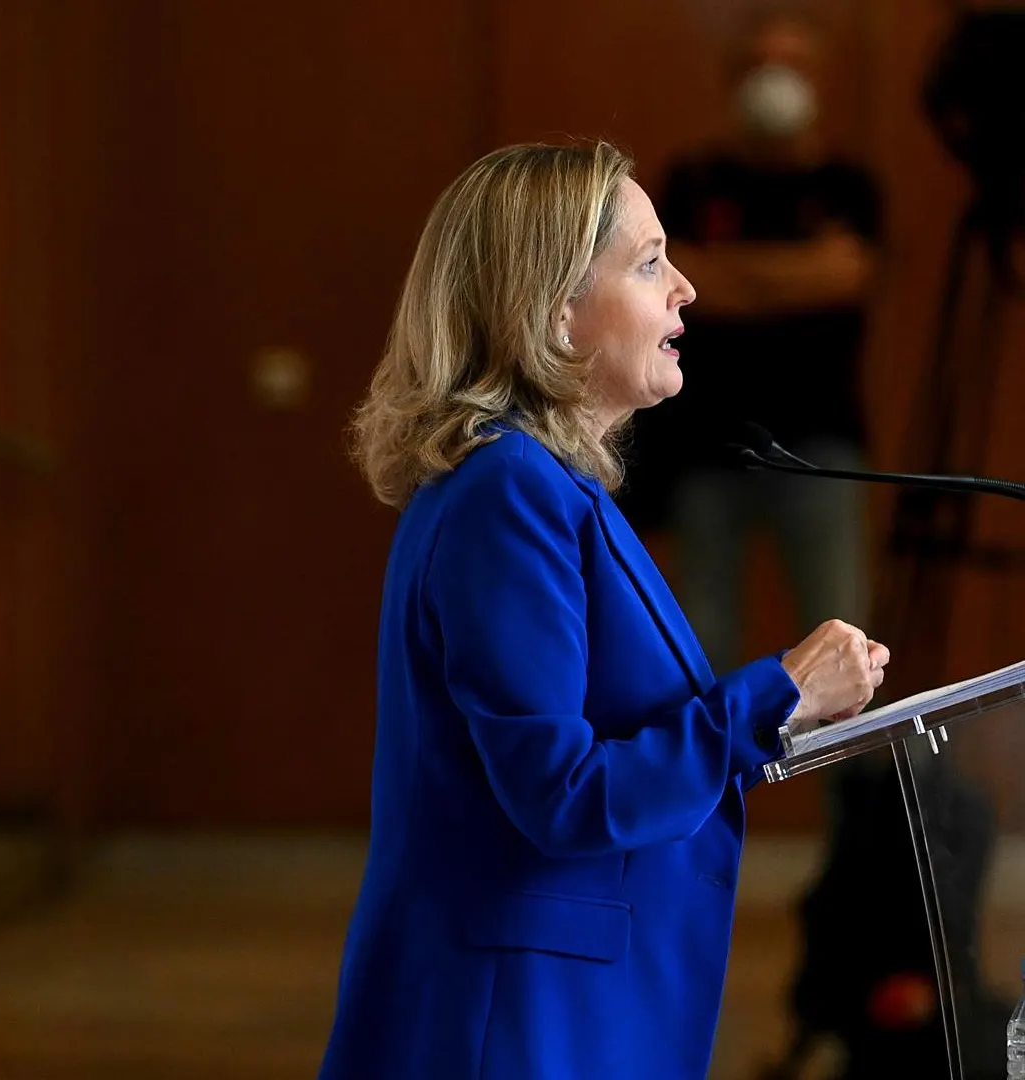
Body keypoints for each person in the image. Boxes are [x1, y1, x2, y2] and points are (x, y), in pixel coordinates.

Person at [316, 142, 889, 1079]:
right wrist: (776, 696)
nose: (688, 289)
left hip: (559, 1000)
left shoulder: (542, 484)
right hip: (516, 1021)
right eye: (652, 261)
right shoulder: (509, 491)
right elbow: (561, 792)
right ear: (551, 307)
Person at [626, 9, 880, 673]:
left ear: (815, 77)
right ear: (735, 80)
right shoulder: (692, 182)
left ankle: (854, 783)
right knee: (697, 648)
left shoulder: (848, 186)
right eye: (761, 66)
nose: (776, 81)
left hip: (822, 449)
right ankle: (706, 779)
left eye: (791, 65)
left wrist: (735, 272)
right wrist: (796, 272)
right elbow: (688, 281)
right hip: (708, 448)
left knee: (845, 641)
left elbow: (846, 273)